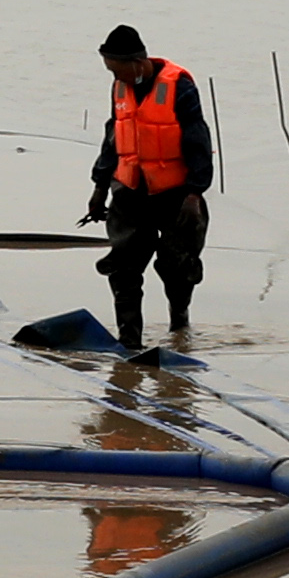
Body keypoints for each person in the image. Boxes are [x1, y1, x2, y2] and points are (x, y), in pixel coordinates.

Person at [82, 26, 218, 348]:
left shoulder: (178, 86)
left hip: (175, 193)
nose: (116, 77)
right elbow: (113, 136)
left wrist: (195, 193)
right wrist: (100, 187)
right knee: (123, 267)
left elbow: (198, 139)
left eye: (118, 69)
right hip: (131, 192)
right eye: (110, 70)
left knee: (177, 267)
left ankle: (179, 321)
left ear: (138, 61)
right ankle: (129, 342)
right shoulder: (120, 88)